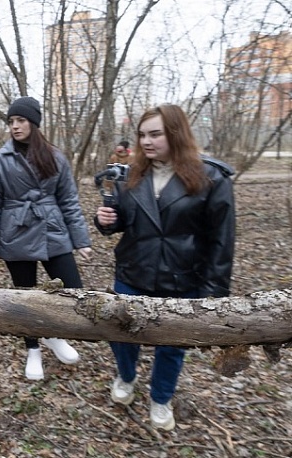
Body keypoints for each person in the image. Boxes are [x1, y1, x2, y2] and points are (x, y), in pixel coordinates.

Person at [94, 104, 235, 431]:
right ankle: (126, 378)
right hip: (133, 272)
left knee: (171, 347)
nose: (146, 141)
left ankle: (161, 397)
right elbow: (125, 222)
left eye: (155, 134)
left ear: (176, 133)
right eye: (142, 134)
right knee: (122, 334)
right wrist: (105, 222)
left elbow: (222, 243)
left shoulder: (212, 177)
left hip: (182, 278)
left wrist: (214, 296)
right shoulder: (132, 174)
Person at [0, 96, 93, 381]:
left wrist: (81, 241)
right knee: (25, 297)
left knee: (72, 291)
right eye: (11, 122)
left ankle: (53, 336)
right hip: (16, 231)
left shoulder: (55, 157)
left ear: (34, 123)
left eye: (21, 121)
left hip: (52, 228)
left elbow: (69, 201)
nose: (15, 127)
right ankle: (33, 350)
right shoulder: (1, 160)